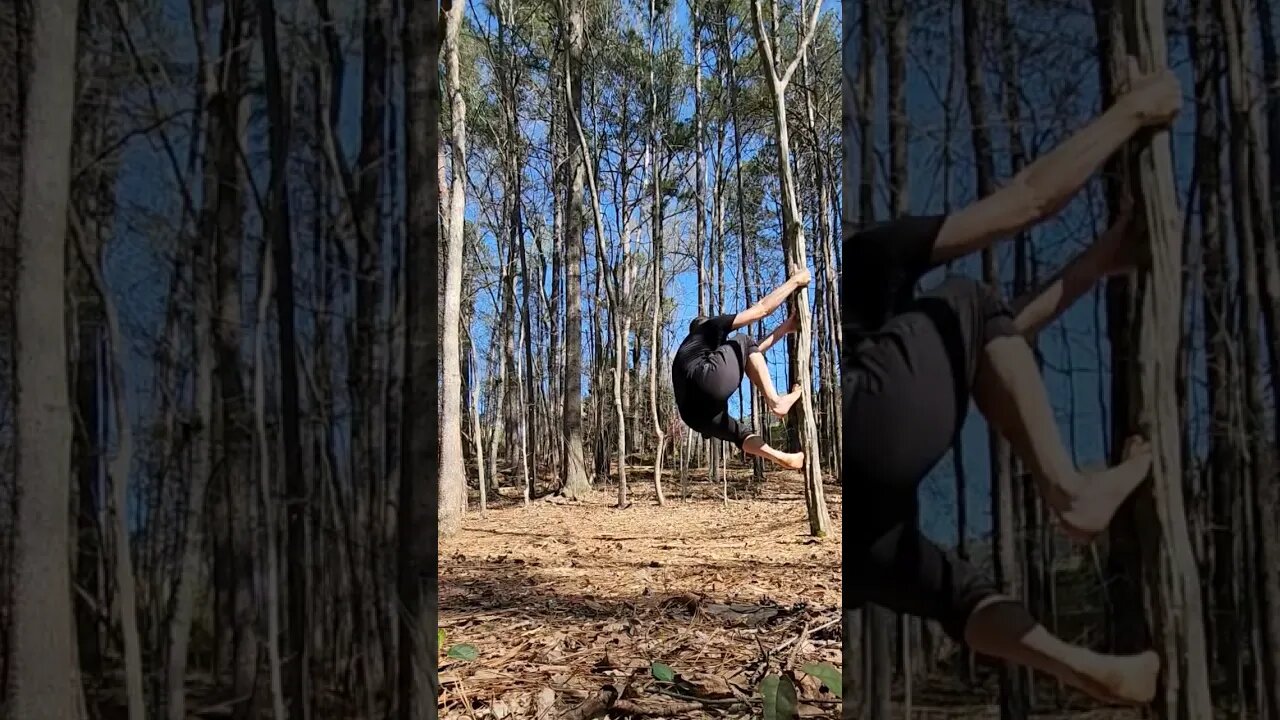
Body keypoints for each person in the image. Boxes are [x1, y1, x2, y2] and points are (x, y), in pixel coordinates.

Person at [843, 64, 1183, 706]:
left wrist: (1099, 262)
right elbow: (1028, 200)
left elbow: (999, 335)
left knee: (954, 594)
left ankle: (1095, 670)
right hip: (859, 430)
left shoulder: (892, 334)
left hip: (854, 536)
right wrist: (1134, 113)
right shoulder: (871, 253)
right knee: (968, 295)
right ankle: (1074, 493)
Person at [672, 269, 813, 470]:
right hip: (705, 382)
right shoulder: (710, 327)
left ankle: (783, 457)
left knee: (741, 434)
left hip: (693, 417)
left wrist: (784, 328)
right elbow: (762, 309)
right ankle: (777, 402)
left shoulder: (688, 353)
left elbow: (750, 354)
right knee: (744, 339)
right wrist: (795, 281)